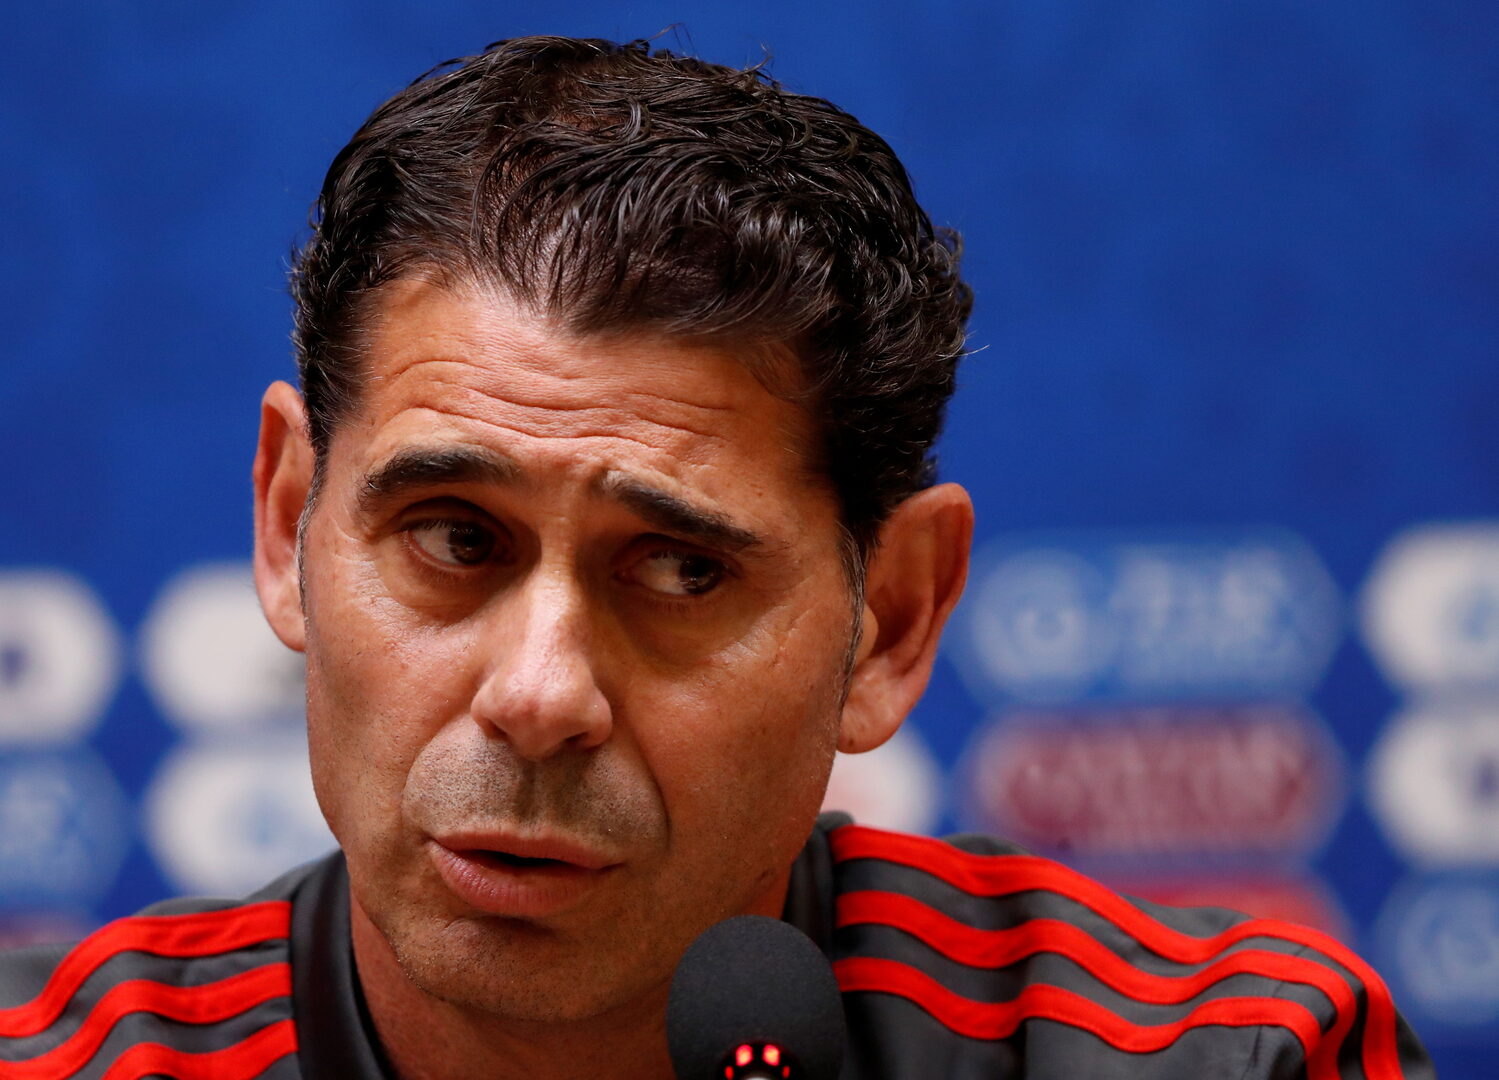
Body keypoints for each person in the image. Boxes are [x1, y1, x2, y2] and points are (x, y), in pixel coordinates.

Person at [0, 35, 1433, 1080]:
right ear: (288, 525)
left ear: (890, 620)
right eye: (454, 539)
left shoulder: (1225, 1057)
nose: (539, 696)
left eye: (681, 570)